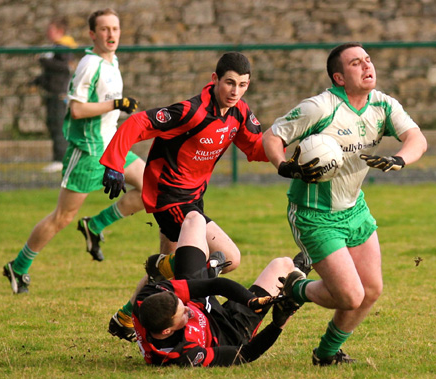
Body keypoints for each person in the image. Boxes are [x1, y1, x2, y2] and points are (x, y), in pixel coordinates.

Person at [99, 52, 313, 337]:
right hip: (171, 198)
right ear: (215, 80)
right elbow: (139, 123)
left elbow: (255, 148)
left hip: (193, 198)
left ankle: (126, 316)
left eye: (243, 85)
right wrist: (114, 163)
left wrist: (287, 140)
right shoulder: (191, 111)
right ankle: (163, 278)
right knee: (230, 258)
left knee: (171, 273)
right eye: (229, 83)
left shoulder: (239, 113)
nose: (235, 91)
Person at [262, 42, 427, 366]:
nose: (368, 67)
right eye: (356, 63)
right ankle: (294, 290)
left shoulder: (382, 104)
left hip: (354, 209)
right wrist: (284, 165)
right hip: (314, 215)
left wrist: (398, 159)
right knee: (351, 296)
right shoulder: (319, 108)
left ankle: (325, 355)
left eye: (368, 60)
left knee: (371, 290)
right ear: (339, 77)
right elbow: (272, 136)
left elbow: (416, 138)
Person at [3, 8, 145, 294]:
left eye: (115, 29)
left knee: (152, 186)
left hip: (111, 145)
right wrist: (116, 105)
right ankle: (18, 266)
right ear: (93, 34)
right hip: (88, 151)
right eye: (104, 29)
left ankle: (96, 225)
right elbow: (77, 109)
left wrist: (118, 111)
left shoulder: (112, 62)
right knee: (62, 217)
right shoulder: (89, 65)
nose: (111, 34)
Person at [130, 210, 305, 367]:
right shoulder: (182, 354)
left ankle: (177, 266)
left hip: (200, 302)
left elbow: (214, 286)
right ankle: (302, 266)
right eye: (182, 313)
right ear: (167, 331)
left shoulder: (149, 295)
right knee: (282, 265)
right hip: (228, 332)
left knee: (193, 219)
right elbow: (246, 354)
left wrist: (250, 301)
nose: (187, 311)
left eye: (181, 304)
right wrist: (278, 324)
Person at [31, 16, 78, 173]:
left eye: (50, 29)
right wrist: (36, 81)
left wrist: (42, 60)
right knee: (53, 124)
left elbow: (63, 68)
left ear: (59, 31)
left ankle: (61, 159)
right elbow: (52, 71)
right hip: (51, 92)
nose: (47, 32)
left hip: (60, 93)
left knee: (59, 125)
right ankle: (58, 158)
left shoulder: (64, 47)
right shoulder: (54, 47)